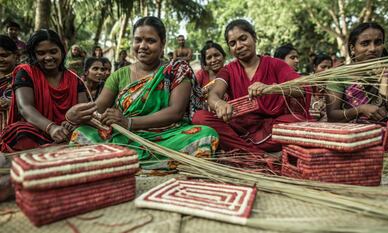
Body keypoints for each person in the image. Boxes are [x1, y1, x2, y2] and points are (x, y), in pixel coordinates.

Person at [69, 16, 218, 171]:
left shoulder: (177, 70)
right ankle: (151, 160)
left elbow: (176, 112)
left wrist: (129, 122)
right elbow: (97, 109)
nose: (142, 46)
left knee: (206, 135)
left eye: (150, 41)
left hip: (167, 136)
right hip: (125, 136)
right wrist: (74, 116)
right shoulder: (119, 75)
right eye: (138, 40)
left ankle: (120, 160)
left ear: (163, 43)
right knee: (82, 133)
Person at [192, 19, 310, 155]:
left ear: (254, 37)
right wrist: (219, 104)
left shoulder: (276, 64)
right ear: (230, 49)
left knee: (298, 121)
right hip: (239, 129)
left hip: (273, 128)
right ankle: (257, 154)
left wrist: (272, 88)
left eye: (243, 39)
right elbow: (214, 94)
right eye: (233, 43)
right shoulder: (228, 70)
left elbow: (301, 89)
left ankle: (244, 151)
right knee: (199, 117)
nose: (239, 46)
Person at [0, 29, 94, 152]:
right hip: (37, 131)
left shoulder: (74, 78)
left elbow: (83, 110)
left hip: (68, 132)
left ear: (62, 51)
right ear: (34, 55)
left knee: (89, 132)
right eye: (41, 53)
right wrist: (51, 128)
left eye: (53, 52)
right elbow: (25, 107)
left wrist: (72, 123)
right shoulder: (25, 72)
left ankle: (57, 147)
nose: (48, 57)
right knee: (18, 131)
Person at [326, 22, 388, 128]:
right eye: (365, 43)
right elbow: (332, 116)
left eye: (378, 42)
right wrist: (360, 109)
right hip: (354, 136)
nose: (373, 49)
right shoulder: (339, 75)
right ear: (353, 48)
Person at [0, 35, 18, 131]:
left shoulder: (24, 77)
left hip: (17, 134)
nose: (1, 60)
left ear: (16, 55)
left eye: (4, 55)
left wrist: (13, 103)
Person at [309, 53, 333, 121]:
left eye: (329, 68)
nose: (327, 70)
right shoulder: (307, 84)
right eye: (323, 67)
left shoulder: (333, 85)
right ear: (314, 67)